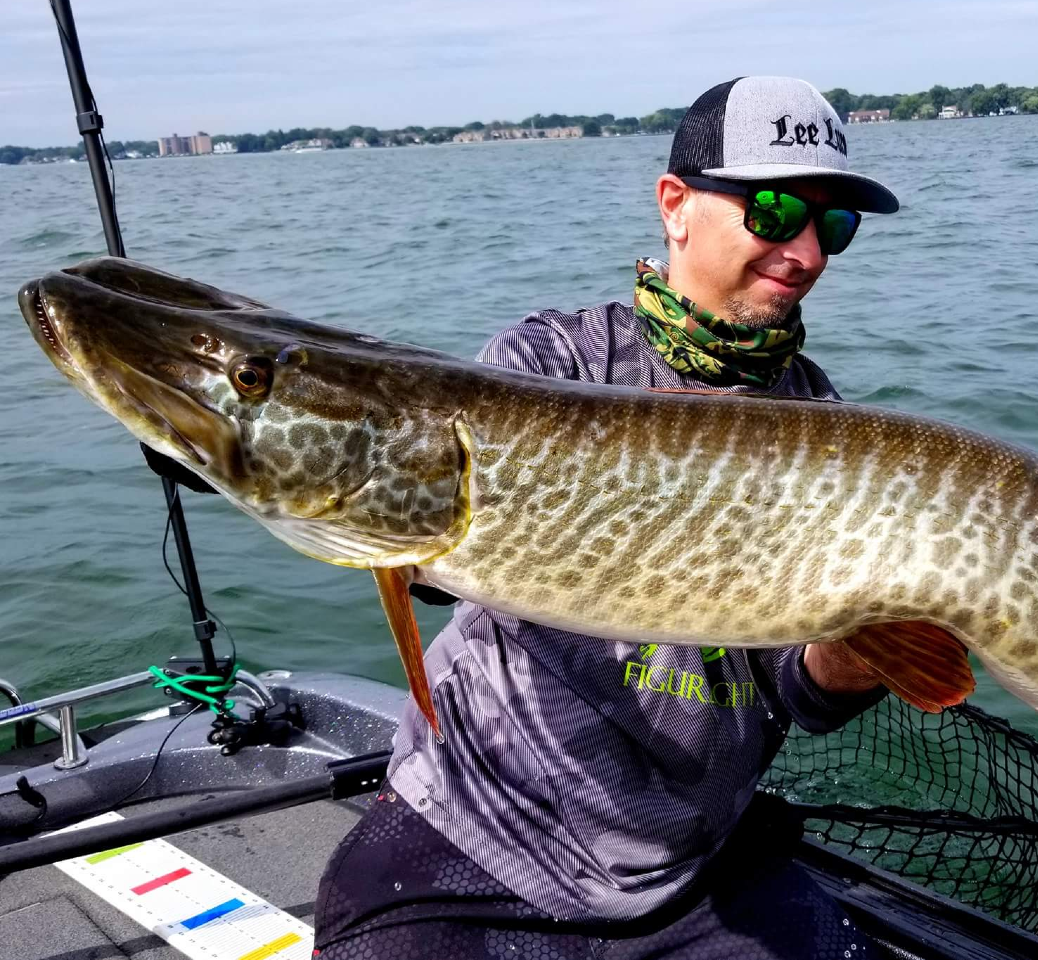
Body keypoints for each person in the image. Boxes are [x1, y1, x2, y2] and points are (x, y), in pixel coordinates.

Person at [314, 76, 902, 960]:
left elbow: (803, 690)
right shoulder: (549, 364)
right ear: (676, 206)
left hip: (688, 865)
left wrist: (877, 645)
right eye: (777, 210)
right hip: (479, 832)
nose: (808, 252)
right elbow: (423, 551)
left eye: (835, 226)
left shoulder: (831, 430)